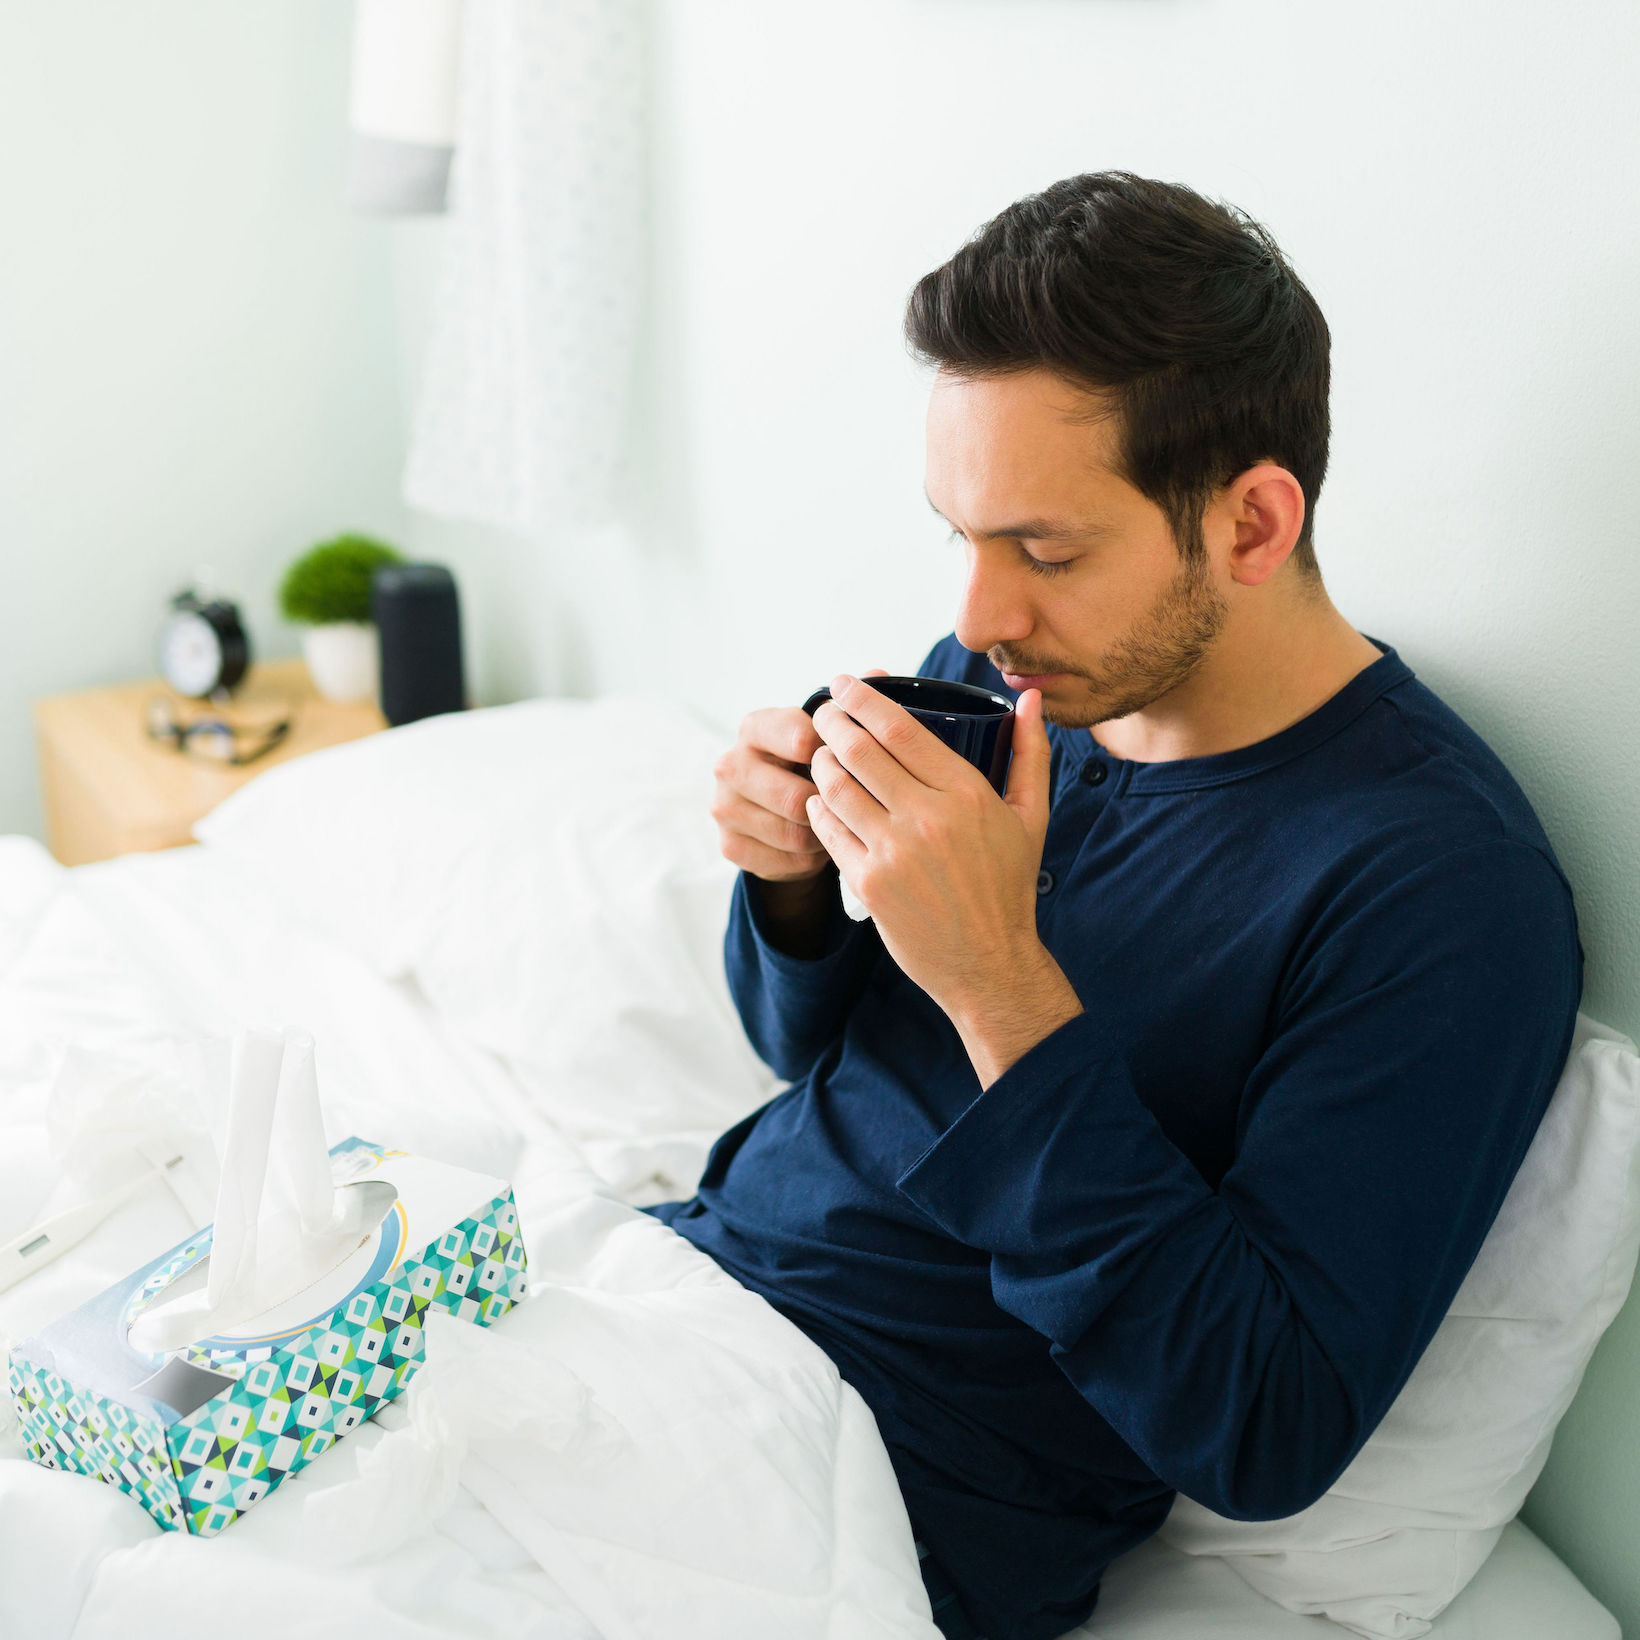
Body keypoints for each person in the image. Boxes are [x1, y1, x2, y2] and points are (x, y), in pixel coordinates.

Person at [647, 172, 1584, 1640]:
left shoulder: (1437, 893)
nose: (977, 616)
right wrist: (790, 883)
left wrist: (1002, 983)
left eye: (1048, 550)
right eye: (960, 535)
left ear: (1253, 524)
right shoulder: (1002, 685)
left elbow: (1260, 1426)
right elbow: (805, 1055)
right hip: (676, 1296)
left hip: (875, 1487)